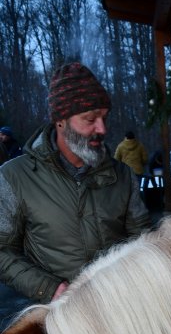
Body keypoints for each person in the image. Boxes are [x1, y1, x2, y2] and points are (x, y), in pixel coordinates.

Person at [0, 62, 150, 304]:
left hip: (121, 309)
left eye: (104, 117)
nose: (102, 128)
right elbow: (1, 250)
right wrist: (48, 288)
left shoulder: (122, 175)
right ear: (61, 120)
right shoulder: (14, 177)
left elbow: (143, 241)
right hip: (56, 318)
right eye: (90, 119)